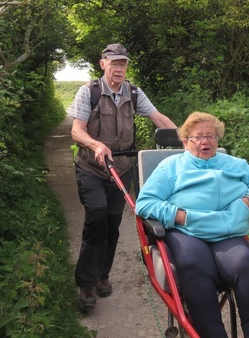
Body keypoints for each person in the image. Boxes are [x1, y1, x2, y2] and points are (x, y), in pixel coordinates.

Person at [135, 112, 249, 338]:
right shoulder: (171, 167)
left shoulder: (235, 164)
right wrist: (179, 216)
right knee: (194, 263)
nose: (205, 141)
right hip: (188, 231)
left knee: (244, 263)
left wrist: (247, 201)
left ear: (218, 139)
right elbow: (145, 203)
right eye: (198, 137)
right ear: (186, 142)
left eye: (211, 136)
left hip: (227, 231)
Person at [68, 43, 176, 312]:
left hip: (122, 169)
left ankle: (103, 275)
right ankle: (86, 283)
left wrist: (185, 140)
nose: (118, 68)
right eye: (113, 63)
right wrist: (96, 146)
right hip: (92, 169)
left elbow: (158, 118)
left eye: (123, 64)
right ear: (102, 64)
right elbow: (76, 131)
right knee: (96, 217)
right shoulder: (89, 92)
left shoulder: (134, 92)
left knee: (113, 223)